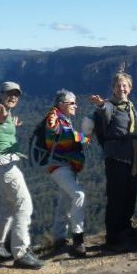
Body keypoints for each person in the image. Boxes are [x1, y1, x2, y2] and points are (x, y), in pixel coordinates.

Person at [0, 82, 44, 269]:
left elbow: (2, 127)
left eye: (16, 95)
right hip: (4, 164)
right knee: (24, 204)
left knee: (10, 204)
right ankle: (21, 252)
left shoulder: (8, 114)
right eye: (9, 94)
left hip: (2, 163)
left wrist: (12, 125)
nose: (13, 97)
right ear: (0, 95)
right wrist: (3, 119)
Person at [91, 72, 137, 250]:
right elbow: (103, 110)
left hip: (133, 157)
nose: (121, 89)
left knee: (130, 194)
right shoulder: (110, 106)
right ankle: (113, 235)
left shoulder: (129, 106)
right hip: (116, 157)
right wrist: (100, 104)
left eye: (125, 86)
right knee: (116, 196)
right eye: (118, 86)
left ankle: (125, 227)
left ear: (130, 89)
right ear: (113, 88)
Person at [45, 89, 92, 257]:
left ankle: (59, 239)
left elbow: (69, 138)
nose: (76, 106)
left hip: (65, 166)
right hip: (59, 167)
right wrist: (85, 138)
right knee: (79, 195)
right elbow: (64, 134)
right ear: (61, 105)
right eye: (72, 103)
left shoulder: (65, 120)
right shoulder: (55, 118)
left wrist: (83, 139)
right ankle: (78, 240)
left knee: (64, 202)